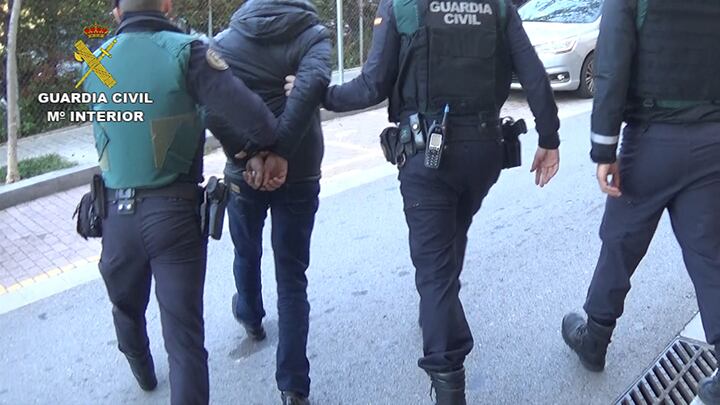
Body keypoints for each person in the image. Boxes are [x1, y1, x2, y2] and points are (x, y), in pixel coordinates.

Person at [306, 0, 561, 402]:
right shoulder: (498, 8)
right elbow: (533, 73)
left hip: (428, 157)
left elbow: (371, 86)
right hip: (484, 153)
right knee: (453, 234)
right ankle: (438, 307)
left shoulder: (402, 7)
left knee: (434, 271)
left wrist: (318, 93)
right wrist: (549, 138)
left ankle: (447, 376)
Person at [83, 0, 279, 403]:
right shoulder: (187, 53)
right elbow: (254, 119)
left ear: (117, 14)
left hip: (114, 217)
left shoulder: (96, 61)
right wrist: (255, 149)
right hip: (174, 216)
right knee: (185, 341)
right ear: (167, 5)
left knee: (125, 306)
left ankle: (140, 365)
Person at [560, 1, 720, 403]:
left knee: (620, 243)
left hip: (652, 140)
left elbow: (612, 62)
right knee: (709, 254)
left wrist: (604, 148)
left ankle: (594, 340)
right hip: (711, 139)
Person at [208, 1, 331, 404]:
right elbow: (310, 90)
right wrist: (281, 153)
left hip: (244, 173)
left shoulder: (222, 44)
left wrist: (248, 154)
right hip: (302, 167)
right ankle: (293, 386)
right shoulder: (313, 36)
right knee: (292, 277)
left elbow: (211, 107)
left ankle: (250, 315)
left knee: (246, 249)